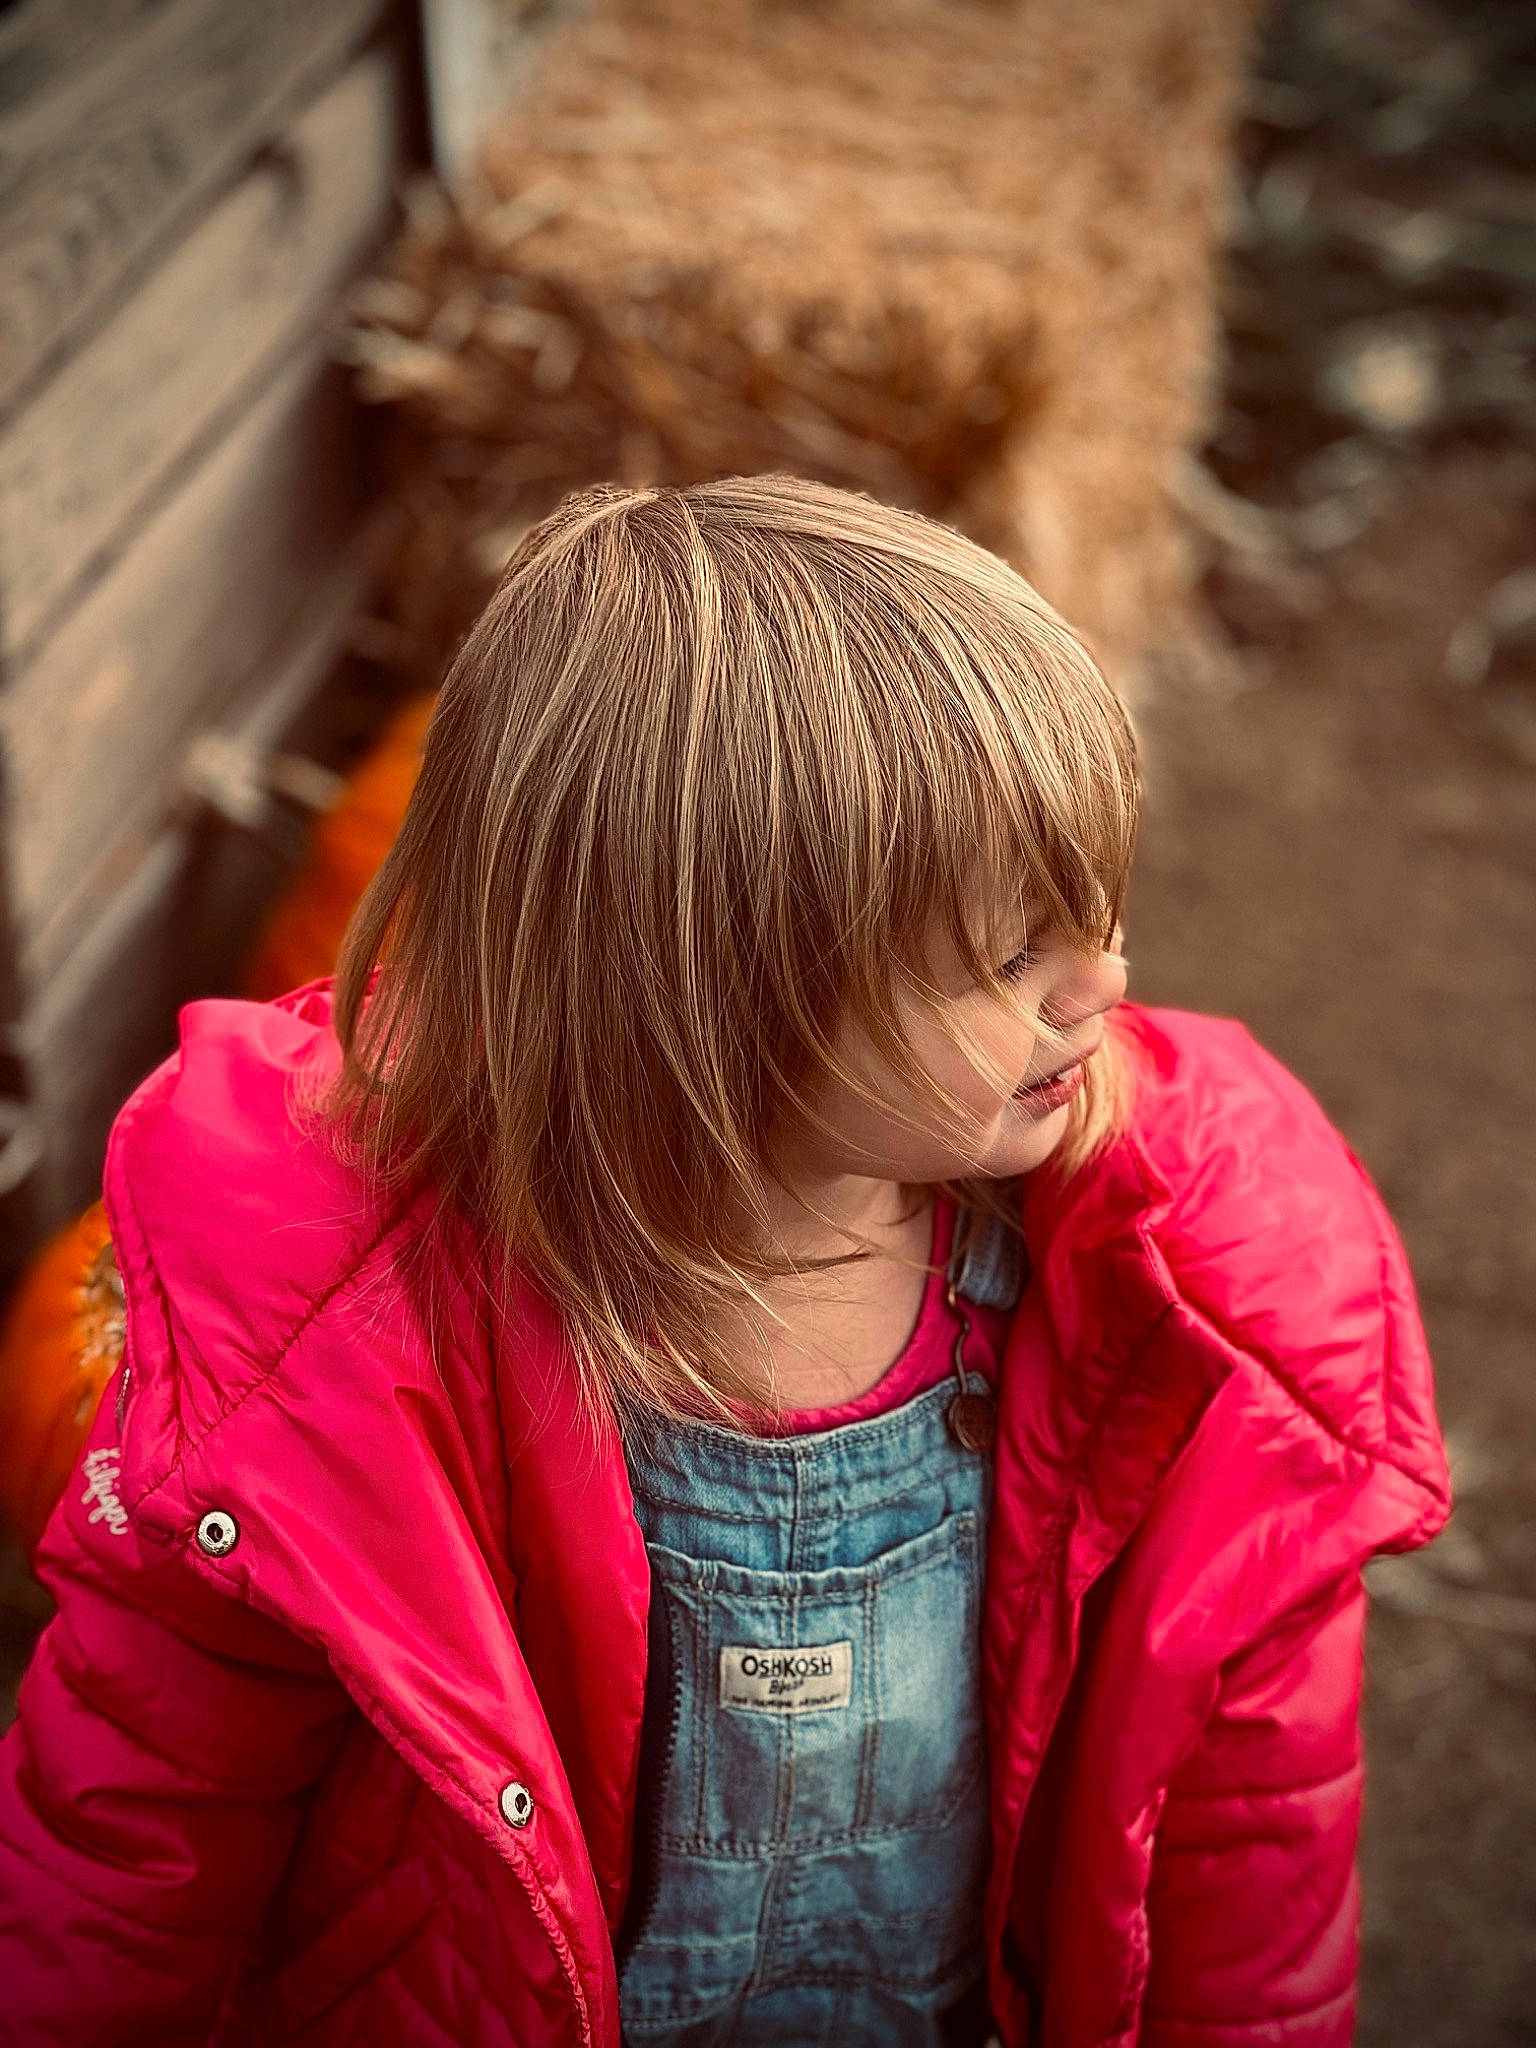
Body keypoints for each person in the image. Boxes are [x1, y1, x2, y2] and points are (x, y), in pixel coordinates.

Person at [0, 476, 1448, 2048]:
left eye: (1096, 910)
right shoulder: (327, 1370)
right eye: (1011, 953)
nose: (1106, 980)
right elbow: (130, 1838)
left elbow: (1249, 1851)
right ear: (713, 997)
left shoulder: (1185, 1323)